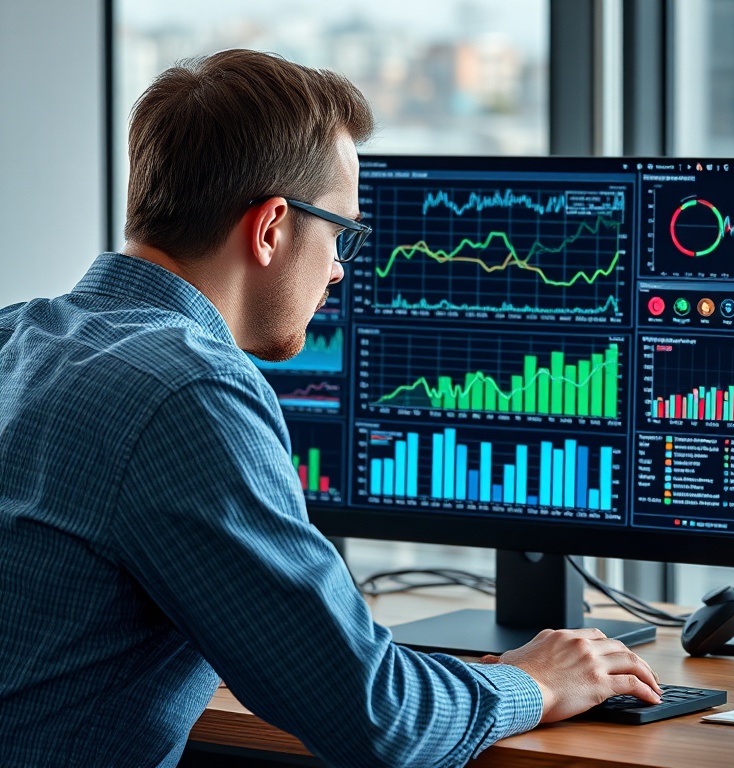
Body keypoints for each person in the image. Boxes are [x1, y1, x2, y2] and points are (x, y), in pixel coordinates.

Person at [0, 49, 661, 768]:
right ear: (271, 228)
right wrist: (532, 681)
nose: (342, 268)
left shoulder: (16, 335)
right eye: (341, 231)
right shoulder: (187, 394)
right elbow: (377, 720)